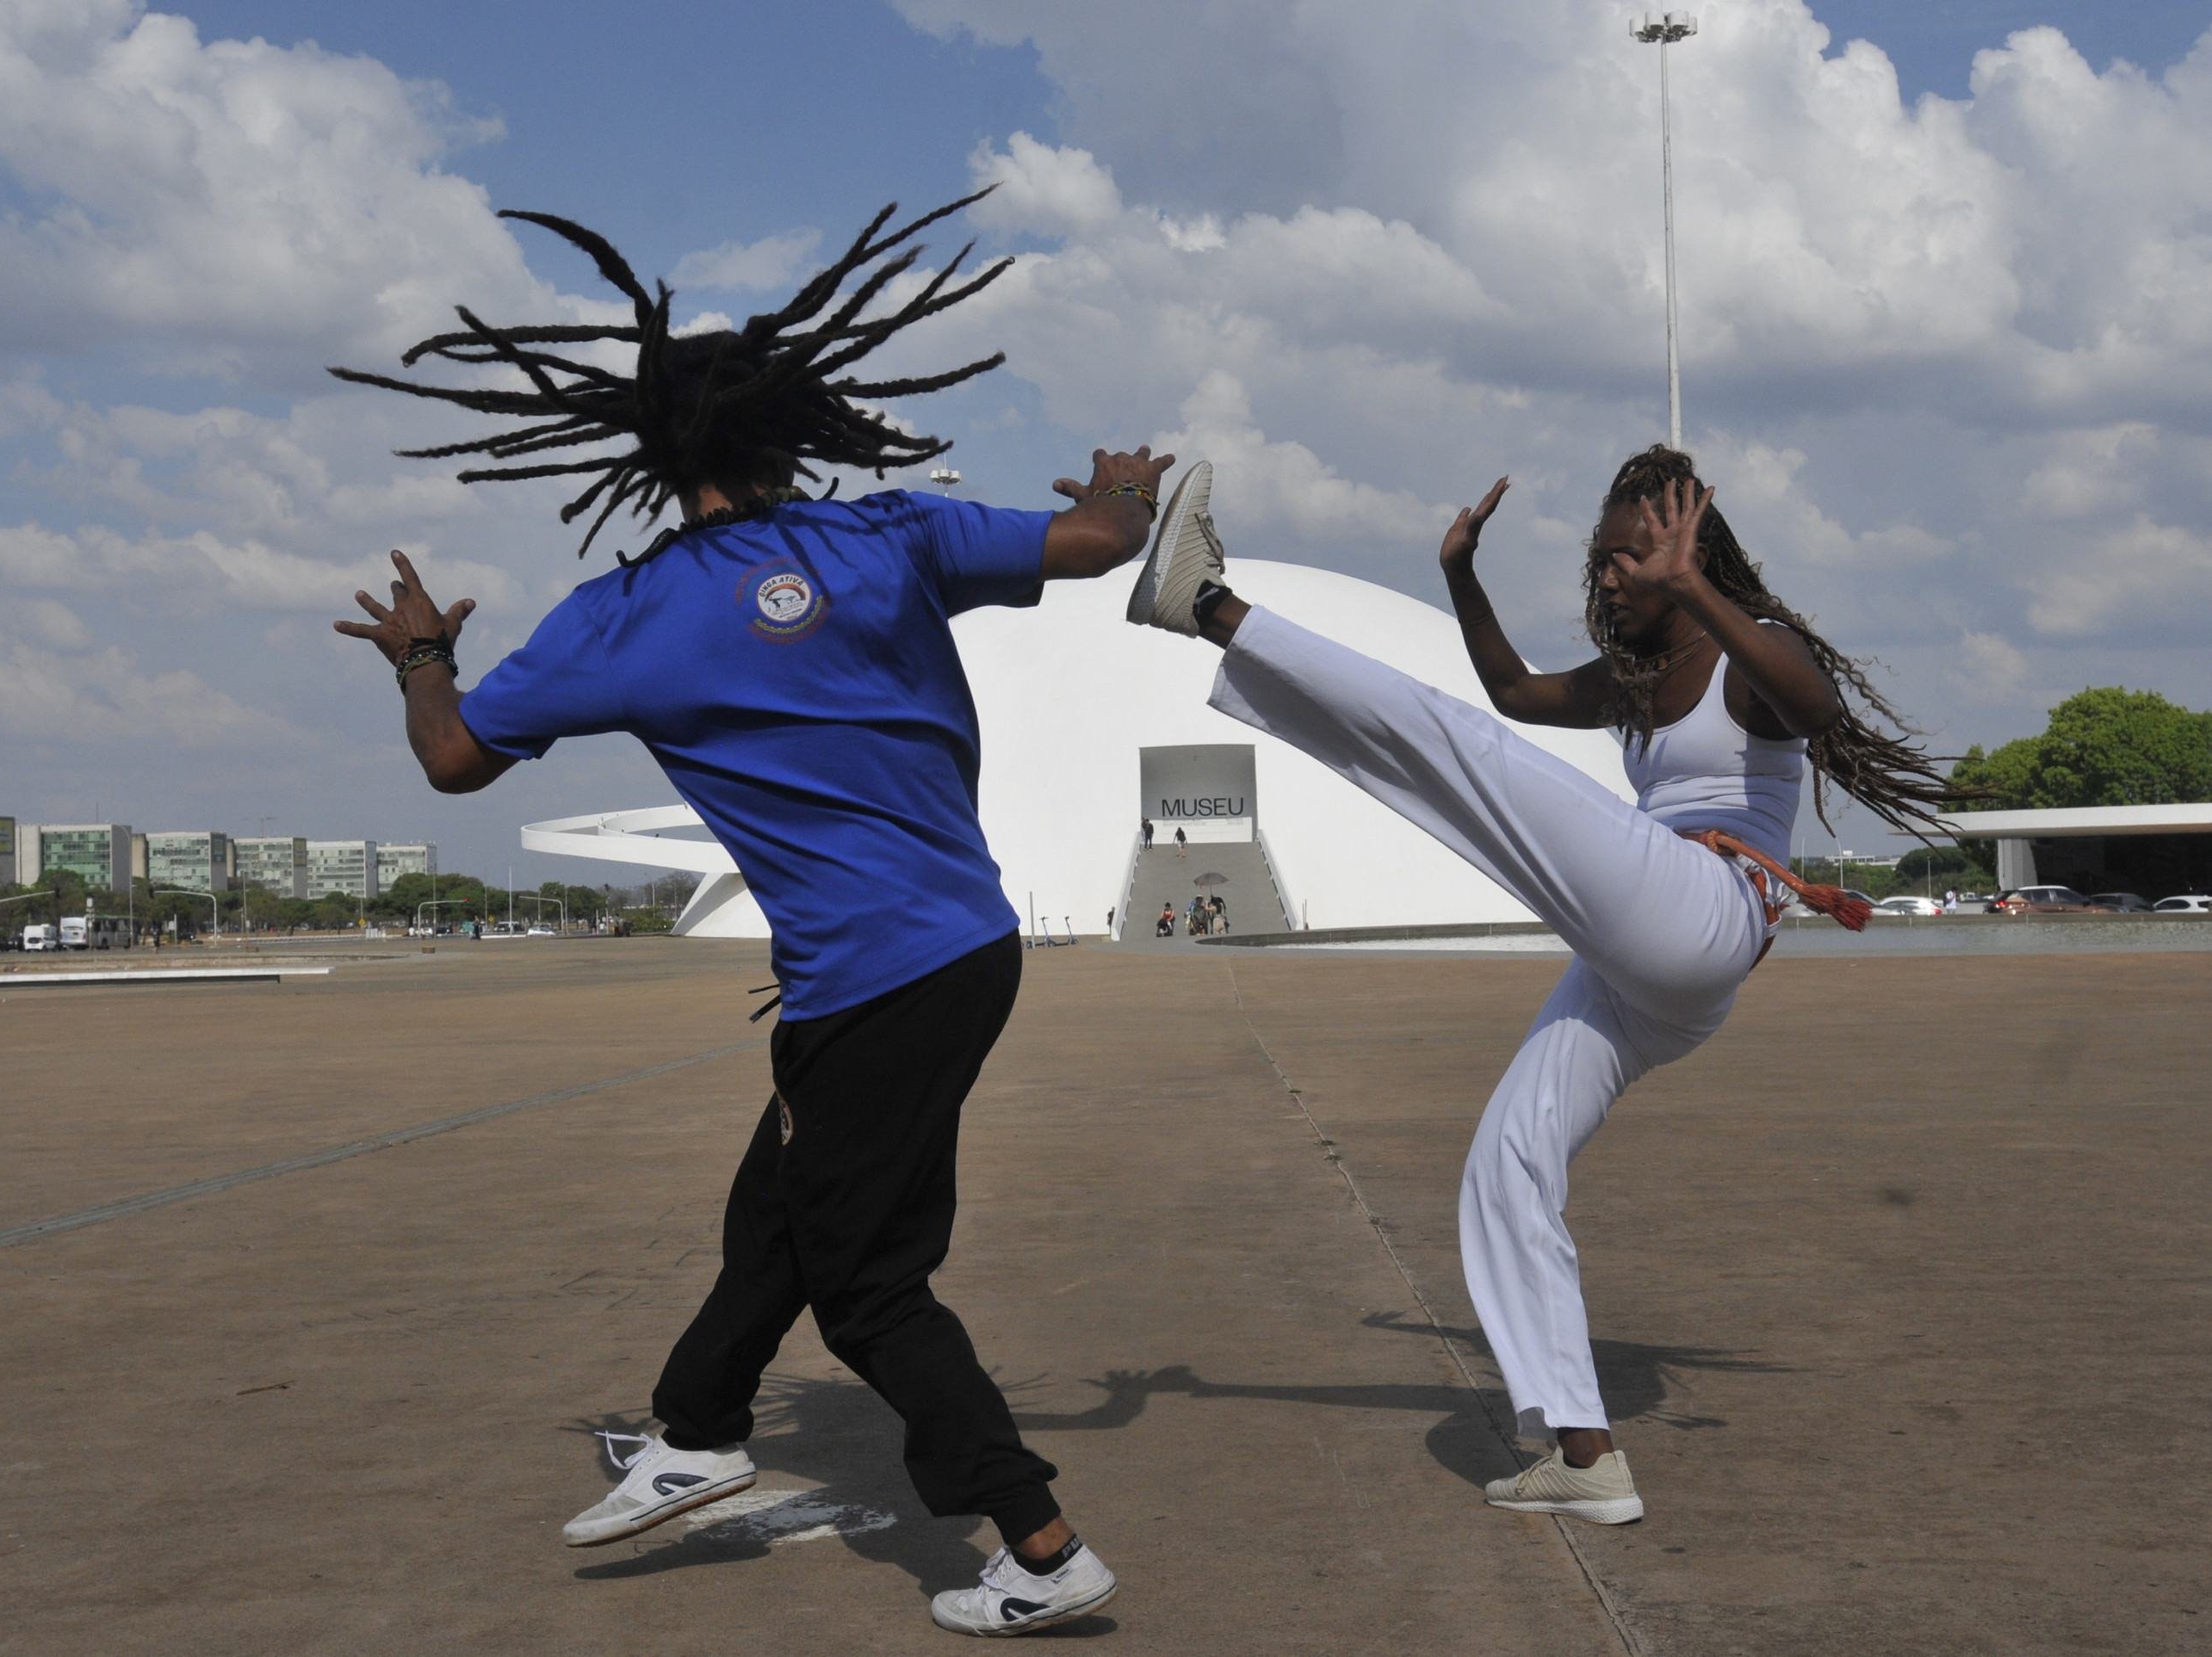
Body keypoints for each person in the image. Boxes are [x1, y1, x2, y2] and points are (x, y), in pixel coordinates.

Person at [330, 192, 1162, 1636]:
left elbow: (453, 759)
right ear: (801, 429)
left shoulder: (622, 616)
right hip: (957, 950)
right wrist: (1124, 492)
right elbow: (1091, 544)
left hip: (867, 980)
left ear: (649, 457)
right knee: (774, 1208)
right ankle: (697, 1434)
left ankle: (1036, 1547)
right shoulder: (892, 537)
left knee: (867, 1289)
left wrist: (417, 656)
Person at [1125, 448, 1953, 1524]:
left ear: (1684, 555)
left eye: (1628, 557)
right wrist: (1462, 575)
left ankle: (1206, 601)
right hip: (1645, 956)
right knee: (1506, 1162)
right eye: (1601, 560)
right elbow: (1513, 693)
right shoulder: (1639, 681)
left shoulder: (1750, 656)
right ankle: (1583, 1453)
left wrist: (1695, 583)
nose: (1607, 577)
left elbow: (1816, 709)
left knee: (1452, 749)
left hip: (1706, 905)